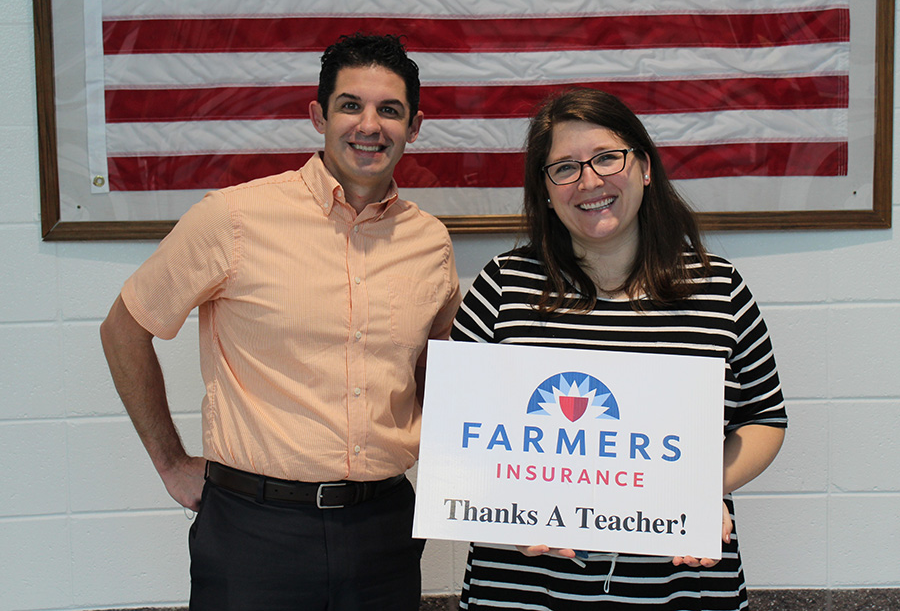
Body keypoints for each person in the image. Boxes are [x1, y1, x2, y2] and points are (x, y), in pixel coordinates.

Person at [100, 33, 460, 611]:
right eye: (351, 105)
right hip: (253, 531)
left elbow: (432, 373)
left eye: (389, 110)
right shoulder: (235, 218)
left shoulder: (430, 243)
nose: (370, 124)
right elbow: (124, 327)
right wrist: (169, 462)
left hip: (384, 529)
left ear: (414, 127)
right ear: (319, 115)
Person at [451, 87, 786, 610]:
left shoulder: (718, 289)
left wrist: (694, 489)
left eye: (608, 158)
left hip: (679, 587)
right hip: (524, 585)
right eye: (564, 167)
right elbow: (455, 431)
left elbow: (764, 418)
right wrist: (502, 504)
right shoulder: (501, 287)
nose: (590, 181)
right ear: (544, 188)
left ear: (645, 167)